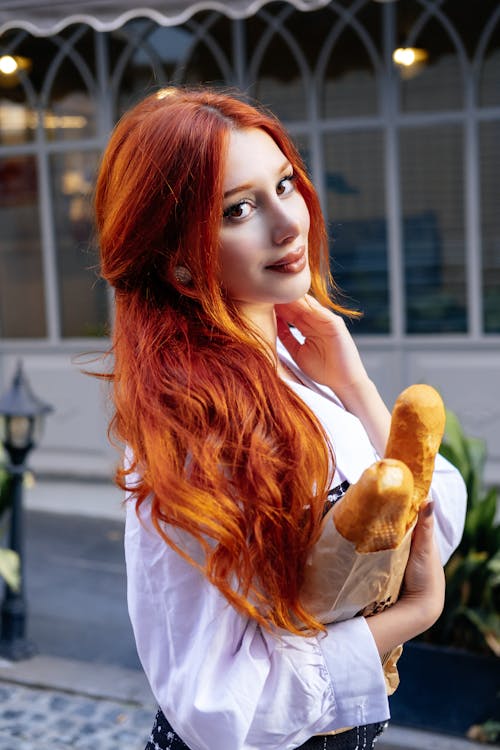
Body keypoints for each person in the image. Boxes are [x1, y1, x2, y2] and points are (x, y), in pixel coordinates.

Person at [94, 86, 466, 750]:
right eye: (239, 208)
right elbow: (215, 707)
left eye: (285, 184)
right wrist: (415, 614)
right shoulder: (193, 435)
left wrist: (352, 382)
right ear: (178, 261)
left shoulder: (305, 369)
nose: (288, 223)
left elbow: (432, 513)